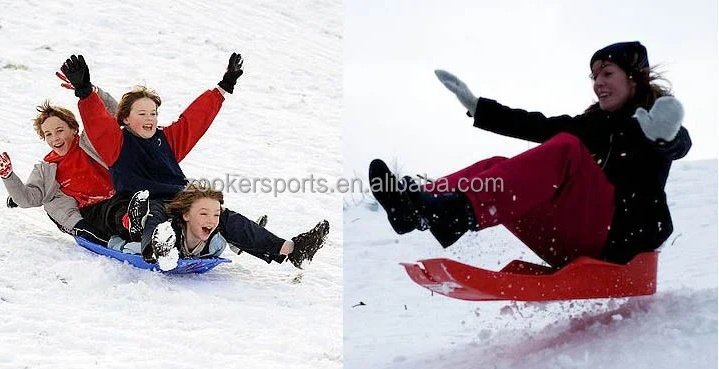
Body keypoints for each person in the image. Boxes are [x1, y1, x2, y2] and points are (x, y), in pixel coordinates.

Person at [369, 41, 691, 268]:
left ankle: (451, 212)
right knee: (496, 167)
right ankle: (417, 207)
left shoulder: (656, 121)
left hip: (621, 243)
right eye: (594, 75)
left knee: (566, 148)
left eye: (607, 73)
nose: (597, 82)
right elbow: (536, 124)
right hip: (572, 241)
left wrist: (665, 136)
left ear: (633, 77)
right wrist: (477, 106)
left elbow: (679, 144)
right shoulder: (593, 124)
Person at [60, 53, 330, 268]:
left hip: (179, 199)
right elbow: (97, 123)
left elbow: (195, 119)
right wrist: (84, 91)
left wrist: (223, 88)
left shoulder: (167, 139)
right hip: (137, 202)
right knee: (152, 214)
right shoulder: (117, 142)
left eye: (153, 113)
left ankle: (290, 250)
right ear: (126, 118)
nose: (149, 119)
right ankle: (158, 249)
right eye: (141, 113)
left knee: (220, 214)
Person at [0, 93, 141, 245]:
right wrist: (8, 176)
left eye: (59, 131)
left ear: (73, 129)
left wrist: (90, 92)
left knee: (144, 200)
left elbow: (112, 115)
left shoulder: (91, 142)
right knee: (116, 212)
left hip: (122, 193)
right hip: (93, 211)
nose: (55, 138)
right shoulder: (47, 168)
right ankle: (135, 227)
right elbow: (28, 198)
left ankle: (155, 229)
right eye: (48, 134)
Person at [159, 187, 329, 269]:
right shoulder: (166, 232)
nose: (211, 220)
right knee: (229, 225)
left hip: (212, 245)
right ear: (186, 215)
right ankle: (240, 244)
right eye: (204, 214)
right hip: (182, 242)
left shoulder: (215, 238)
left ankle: (292, 249)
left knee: (228, 222)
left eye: (215, 215)